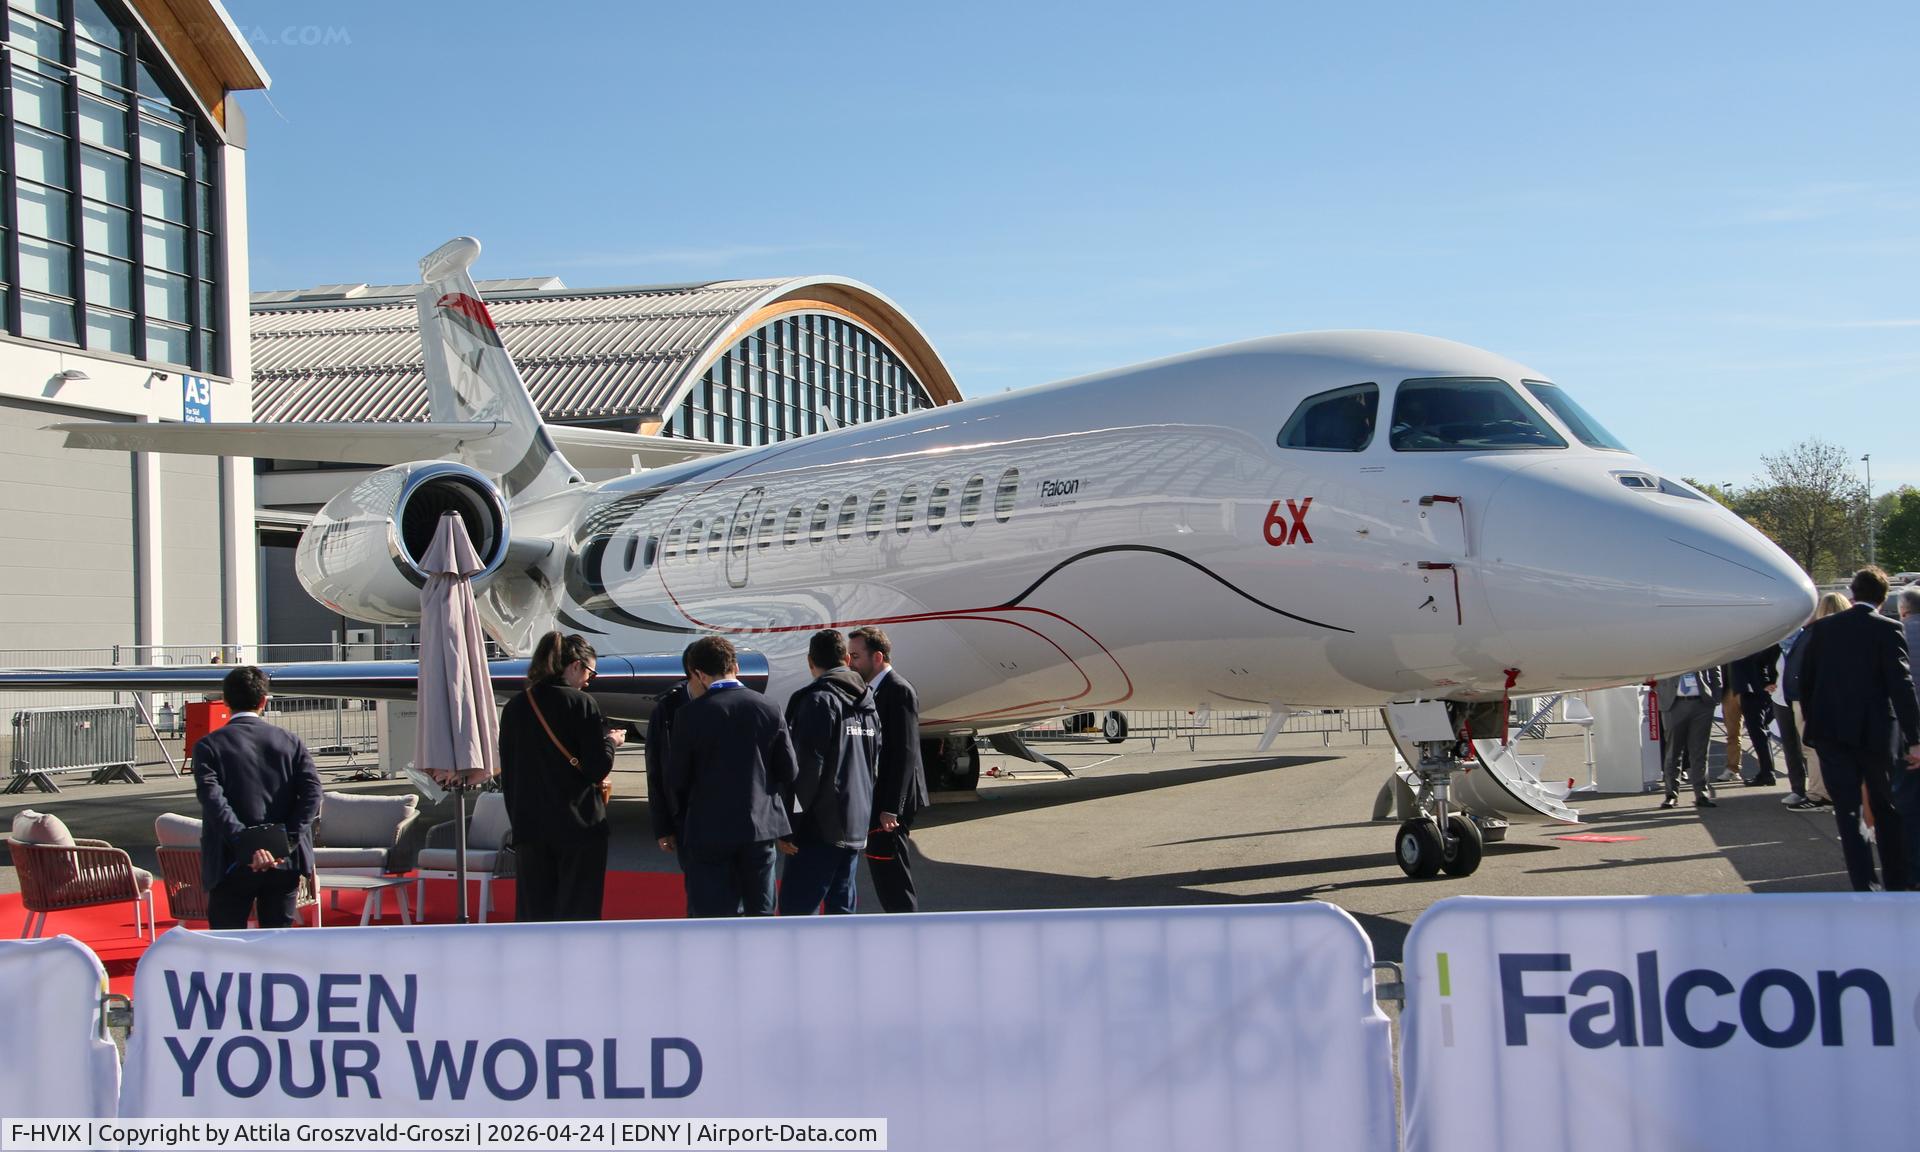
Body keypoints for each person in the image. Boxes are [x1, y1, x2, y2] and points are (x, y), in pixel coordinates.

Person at [1799, 567, 1920, 891]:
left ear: (1852, 595)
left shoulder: (1821, 629)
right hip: (1875, 734)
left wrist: (1813, 723)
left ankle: (1863, 883)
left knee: (1847, 810)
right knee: (1886, 807)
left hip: (1831, 733)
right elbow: (1901, 686)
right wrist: (1915, 739)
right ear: (1884, 599)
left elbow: (1805, 680)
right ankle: (1895, 881)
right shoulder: (1889, 629)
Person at [667, 636, 797, 917]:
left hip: (708, 829)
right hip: (759, 827)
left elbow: (677, 777)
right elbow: (789, 770)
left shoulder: (689, 715)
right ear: (735, 666)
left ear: (700, 674)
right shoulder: (769, 707)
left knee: (711, 915)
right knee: (760, 913)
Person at [499, 631, 622, 921]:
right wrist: (611, 742)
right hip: (577, 826)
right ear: (576, 666)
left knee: (534, 912)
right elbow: (596, 767)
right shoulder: (580, 704)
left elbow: (509, 769)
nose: (590, 680)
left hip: (529, 826)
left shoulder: (516, 706)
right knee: (577, 910)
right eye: (591, 672)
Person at [192, 666, 323, 929]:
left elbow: (213, 800)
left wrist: (246, 844)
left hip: (231, 861)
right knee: (277, 942)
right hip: (284, 862)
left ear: (225, 701)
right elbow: (312, 793)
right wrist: (284, 842)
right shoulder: (290, 742)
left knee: (227, 943)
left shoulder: (208, 746)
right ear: (263, 701)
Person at [778, 629, 880, 915]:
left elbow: (807, 770)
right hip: (855, 823)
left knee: (797, 913)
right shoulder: (868, 705)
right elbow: (872, 763)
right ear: (847, 659)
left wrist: (790, 825)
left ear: (810, 661)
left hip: (819, 829)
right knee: (842, 911)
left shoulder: (817, 700)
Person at [849, 625, 927, 912]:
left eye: (856, 656)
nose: (850, 663)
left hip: (891, 805)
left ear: (877, 657)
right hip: (881, 800)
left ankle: (906, 929)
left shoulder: (898, 690)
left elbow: (905, 752)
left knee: (892, 873)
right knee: (883, 872)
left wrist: (891, 807)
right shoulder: (873, 690)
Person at [645, 650, 695, 882]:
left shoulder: (749, 705)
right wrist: (662, 825)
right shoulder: (668, 709)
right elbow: (656, 769)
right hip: (689, 819)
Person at [1655, 665, 1720, 810]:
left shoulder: (1701, 644)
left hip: (1702, 704)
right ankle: (1671, 795)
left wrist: (1716, 696)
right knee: (1673, 751)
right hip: (1673, 704)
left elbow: (1715, 669)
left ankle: (1701, 794)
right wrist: (1660, 691)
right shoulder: (1663, 646)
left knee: (1700, 752)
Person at [1727, 644, 1781, 786]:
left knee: (1759, 733)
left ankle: (1767, 773)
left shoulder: (1760, 638)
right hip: (1748, 690)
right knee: (1759, 734)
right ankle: (1766, 772)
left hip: (1755, 692)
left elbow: (1771, 659)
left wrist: (1768, 682)